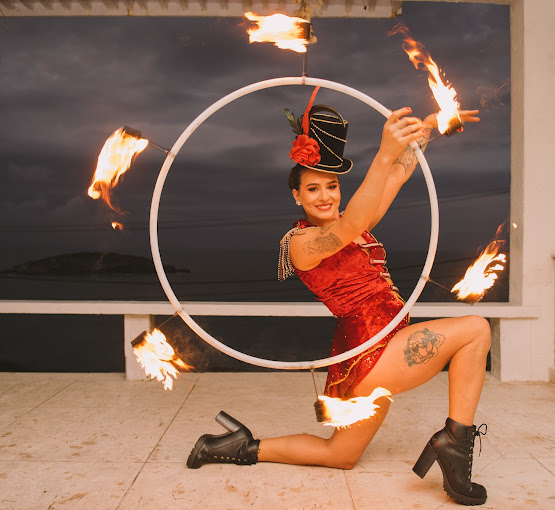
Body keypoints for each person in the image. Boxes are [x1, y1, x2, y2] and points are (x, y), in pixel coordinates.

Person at [187, 88, 489, 506]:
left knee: (340, 455)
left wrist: (435, 125)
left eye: (332, 185)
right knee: (475, 330)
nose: (326, 195)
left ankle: (238, 446)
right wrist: (383, 152)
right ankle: (455, 446)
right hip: (373, 347)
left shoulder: (354, 223)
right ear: (297, 196)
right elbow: (351, 224)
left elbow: (397, 174)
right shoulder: (301, 243)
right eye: (313, 189)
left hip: (363, 352)